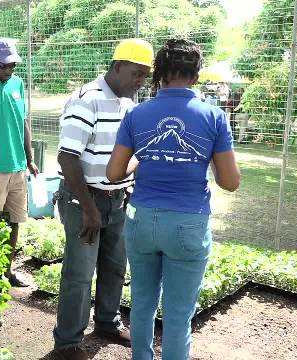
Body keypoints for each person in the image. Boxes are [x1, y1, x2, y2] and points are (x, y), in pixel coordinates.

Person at [106, 38, 241, 360]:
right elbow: (230, 182)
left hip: (141, 221)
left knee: (141, 305)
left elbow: (114, 173)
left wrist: (145, 160)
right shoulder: (214, 117)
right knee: (179, 317)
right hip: (188, 223)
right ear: (195, 75)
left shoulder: (137, 114)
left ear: (159, 74)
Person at [53, 38, 154, 360]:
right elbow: (67, 158)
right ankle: (67, 342)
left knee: (114, 266)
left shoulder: (128, 103)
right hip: (83, 200)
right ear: (117, 67)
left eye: (145, 76)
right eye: (136, 74)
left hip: (117, 198)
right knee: (79, 275)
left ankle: (107, 322)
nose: (140, 82)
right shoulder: (87, 100)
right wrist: (88, 208)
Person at [0, 40, 38, 287]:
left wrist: (30, 158)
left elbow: (23, 122)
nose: (9, 70)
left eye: (13, 65)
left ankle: (7, 271)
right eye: (4, 66)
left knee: (14, 220)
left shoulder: (17, 83)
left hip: (18, 166)